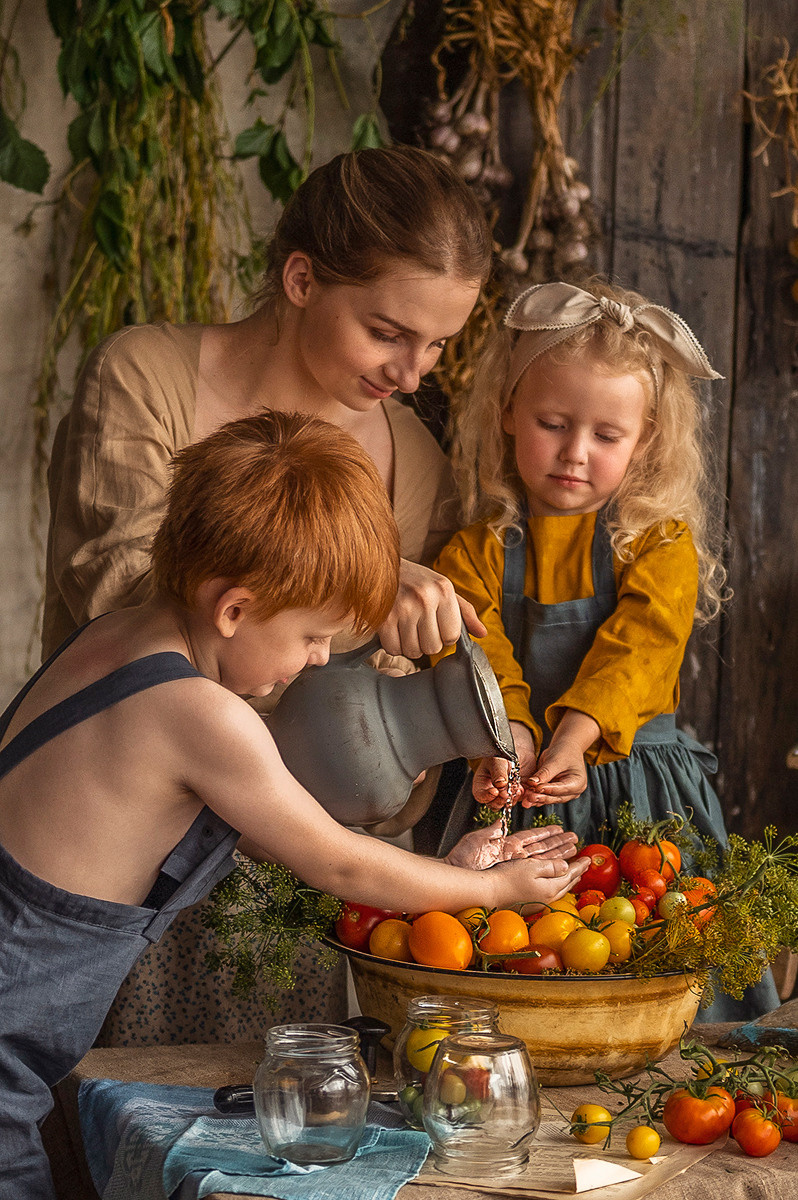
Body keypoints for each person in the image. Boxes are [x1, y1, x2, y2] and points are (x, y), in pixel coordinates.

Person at [1, 412, 587, 1198]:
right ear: (234, 610)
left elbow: (270, 832)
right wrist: (491, 890)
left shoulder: (113, 637)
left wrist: (448, 871)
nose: (317, 659)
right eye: (314, 636)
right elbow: (336, 860)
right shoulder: (202, 716)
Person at [42, 145, 493, 1044]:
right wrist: (351, 585)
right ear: (300, 278)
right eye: (388, 331)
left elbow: (381, 737)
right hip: (121, 849)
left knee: (279, 1109)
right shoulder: (145, 378)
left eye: (439, 344)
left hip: (297, 878)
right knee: (108, 1102)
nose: (413, 374)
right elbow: (122, 600)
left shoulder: (414, 461)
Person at [433, 278, 780, 1019]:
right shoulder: (475, 551)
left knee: (659, 957)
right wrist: (509, 736)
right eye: (553, 423)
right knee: (516, 963)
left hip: (640, 793)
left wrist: (575, 735)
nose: (575, 453)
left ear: (645, 440)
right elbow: (475, 654)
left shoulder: (657, 543)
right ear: (507, 411)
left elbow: (640, 648)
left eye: (607, 436)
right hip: (516, 785)